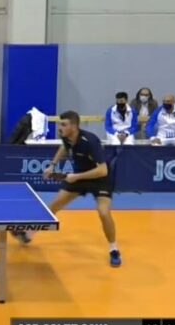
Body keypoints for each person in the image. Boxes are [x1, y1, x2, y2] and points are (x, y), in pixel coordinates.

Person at [14, 111, 122, 267]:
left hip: (100, 179)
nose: (60, 127)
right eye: (60, 124)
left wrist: (77, 177)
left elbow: (103, 170)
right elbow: (64, 147)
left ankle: (114, 249)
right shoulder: (67, 137)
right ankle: (28, 234)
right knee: (54, 205)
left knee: (103, 212)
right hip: (78, 177)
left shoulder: (90, 141)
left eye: (64, 124)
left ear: (74, 126)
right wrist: (52, 165)